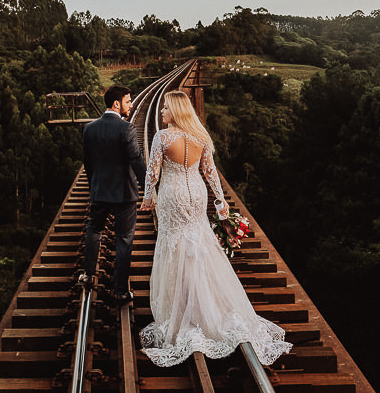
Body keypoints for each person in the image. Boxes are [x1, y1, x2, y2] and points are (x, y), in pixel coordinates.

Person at [139, 90, 291, 367]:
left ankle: (181, 311)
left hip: (172, 195)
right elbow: (210, 172)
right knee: (200, 244)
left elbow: (153, 172)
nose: (161, 113)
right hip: (197, 194)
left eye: (164, 109)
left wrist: (149, 197)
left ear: (174, 111)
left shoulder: (163, 138)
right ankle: (209, 305)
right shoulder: (200, 136)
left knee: (175, 245)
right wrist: (221, 201)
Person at [81, 85, 147, 306]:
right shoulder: (125, 129)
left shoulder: (89, 129)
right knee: (124, 239)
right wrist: (149, 186)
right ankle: (120, 291)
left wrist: (94, 186)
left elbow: (88, 164)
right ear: (117, 104)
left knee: (94, 230)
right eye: (128, 101)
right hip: (124, 194)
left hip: (100, 191)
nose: (131, 105)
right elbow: (136, 161)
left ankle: (89, 275)